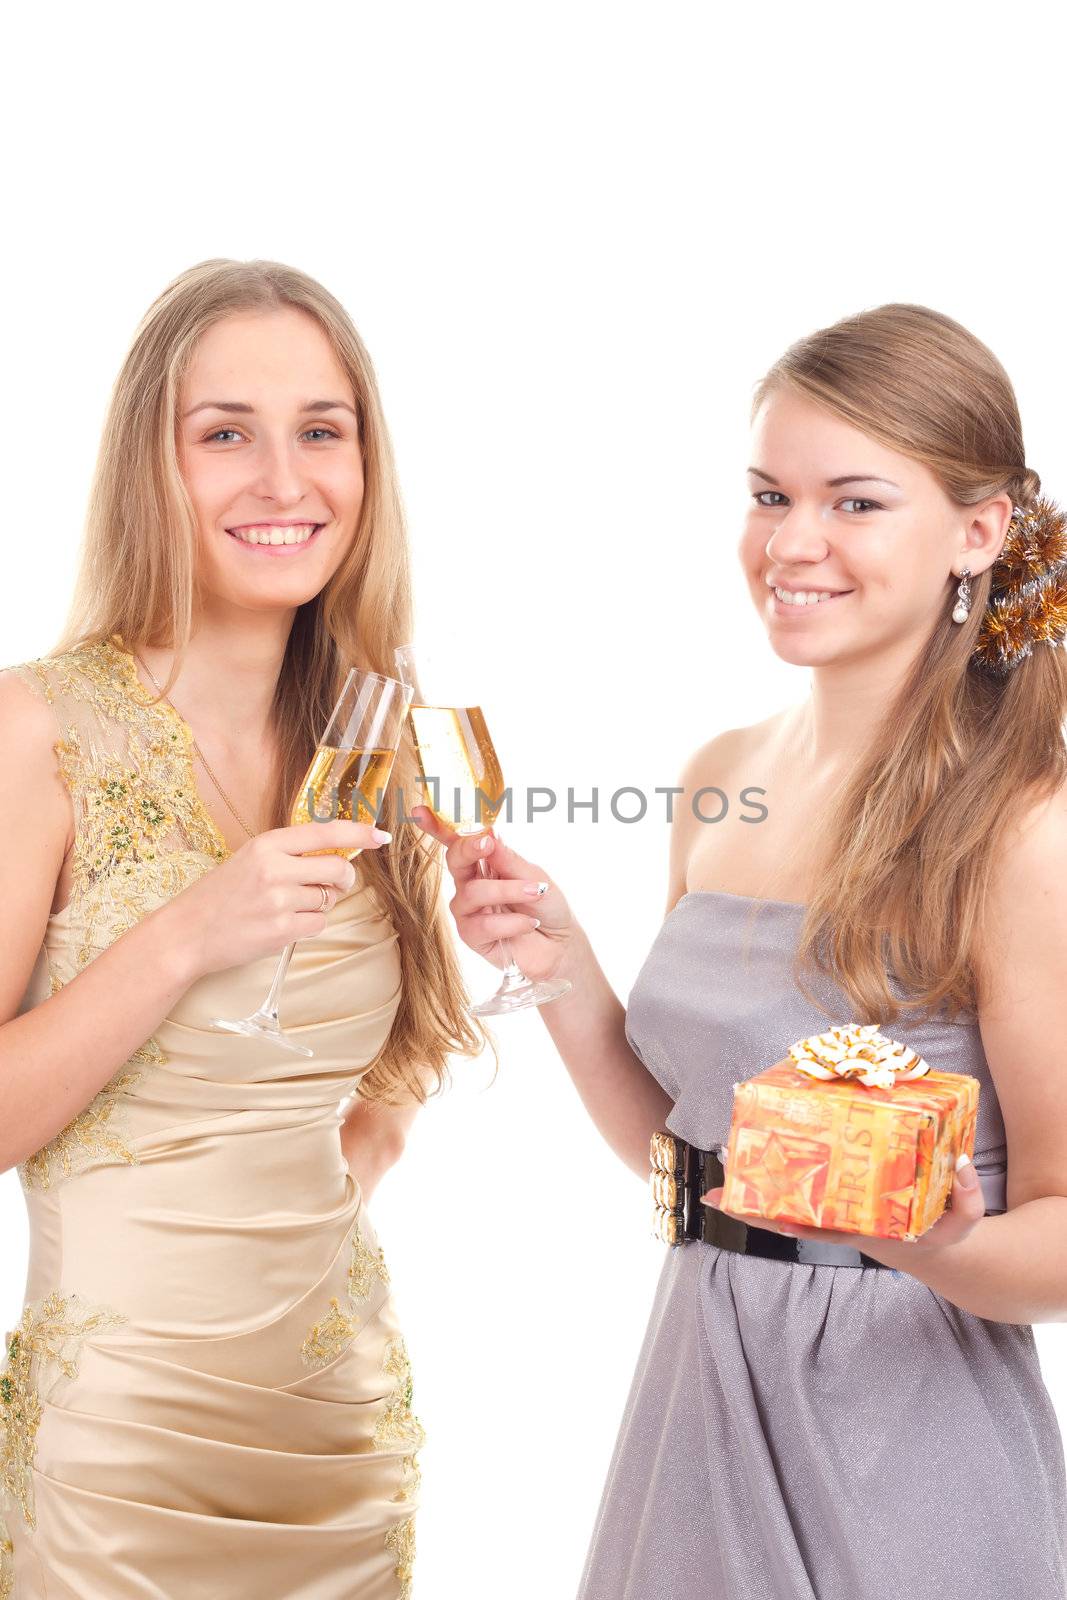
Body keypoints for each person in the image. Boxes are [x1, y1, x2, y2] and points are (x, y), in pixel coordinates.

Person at [414, 304, 1067, 1597]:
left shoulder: (1024, 827)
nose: (794, 542)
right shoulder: (722, 777)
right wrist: (556, 957)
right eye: (770, 494)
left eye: (855, 502)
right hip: (701, 1399)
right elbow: (695, 1160)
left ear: (979, 532)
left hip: (903, 1453)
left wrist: (932, 1247)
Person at [0, 257, 487, 1599]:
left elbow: (388, 1079)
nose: (285, 481)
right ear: (150, 465)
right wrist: (181, 939)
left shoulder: (371, 734)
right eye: (228, 434)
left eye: (322, 431)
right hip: (118, 1466)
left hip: (335, 1438)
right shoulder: (36, 729)